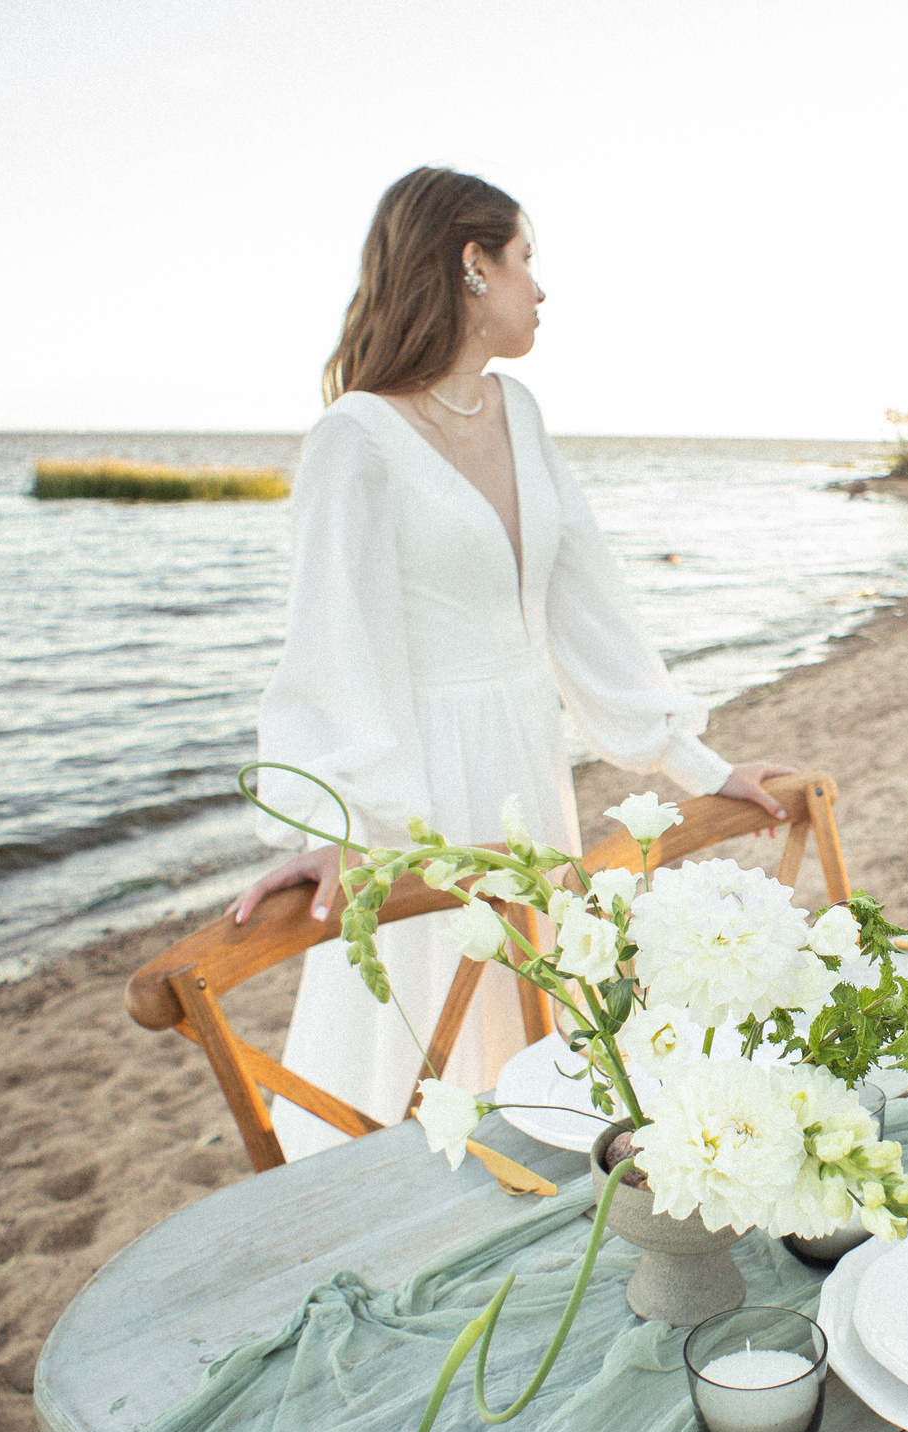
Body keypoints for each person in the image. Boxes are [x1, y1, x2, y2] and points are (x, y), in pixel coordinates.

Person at [232, 166, 795, 1162]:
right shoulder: (352, 439)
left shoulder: (519, 409)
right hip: (419, 796)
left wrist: (700, 768)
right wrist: (336, 826)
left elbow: (583, 611)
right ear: (472, 266)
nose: (541, 287)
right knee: (418, 1057)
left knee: (548, 1045)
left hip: (526, 775)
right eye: (526, 259)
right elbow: (331, 651)